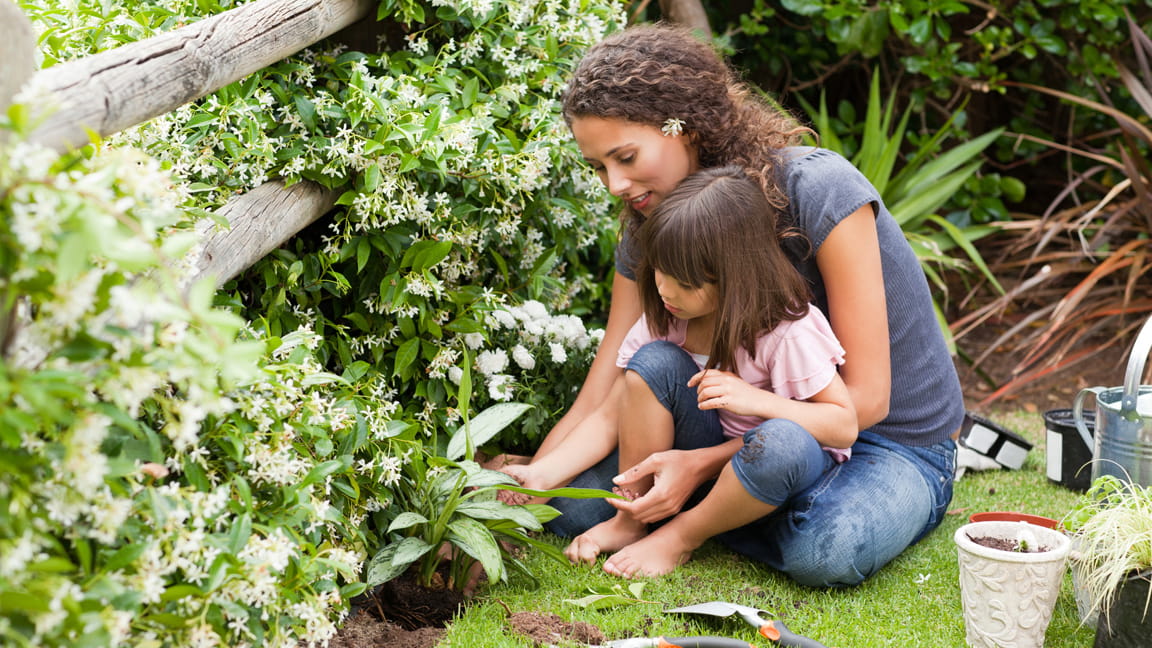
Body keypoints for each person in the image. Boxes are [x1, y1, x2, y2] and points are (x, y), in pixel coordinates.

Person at [515, 22, 965, 587]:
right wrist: (529, 487)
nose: (614, 185)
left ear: (685, 126)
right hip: (741, 421)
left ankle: (702, 516)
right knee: (574, 508)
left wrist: (699, 464)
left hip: (880, 440)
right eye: (599, 167)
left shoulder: (817, 190)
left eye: (625, 156)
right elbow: (608, 387)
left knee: (827, 549)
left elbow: (865, 404)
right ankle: (731, 504)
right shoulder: (648, 228)